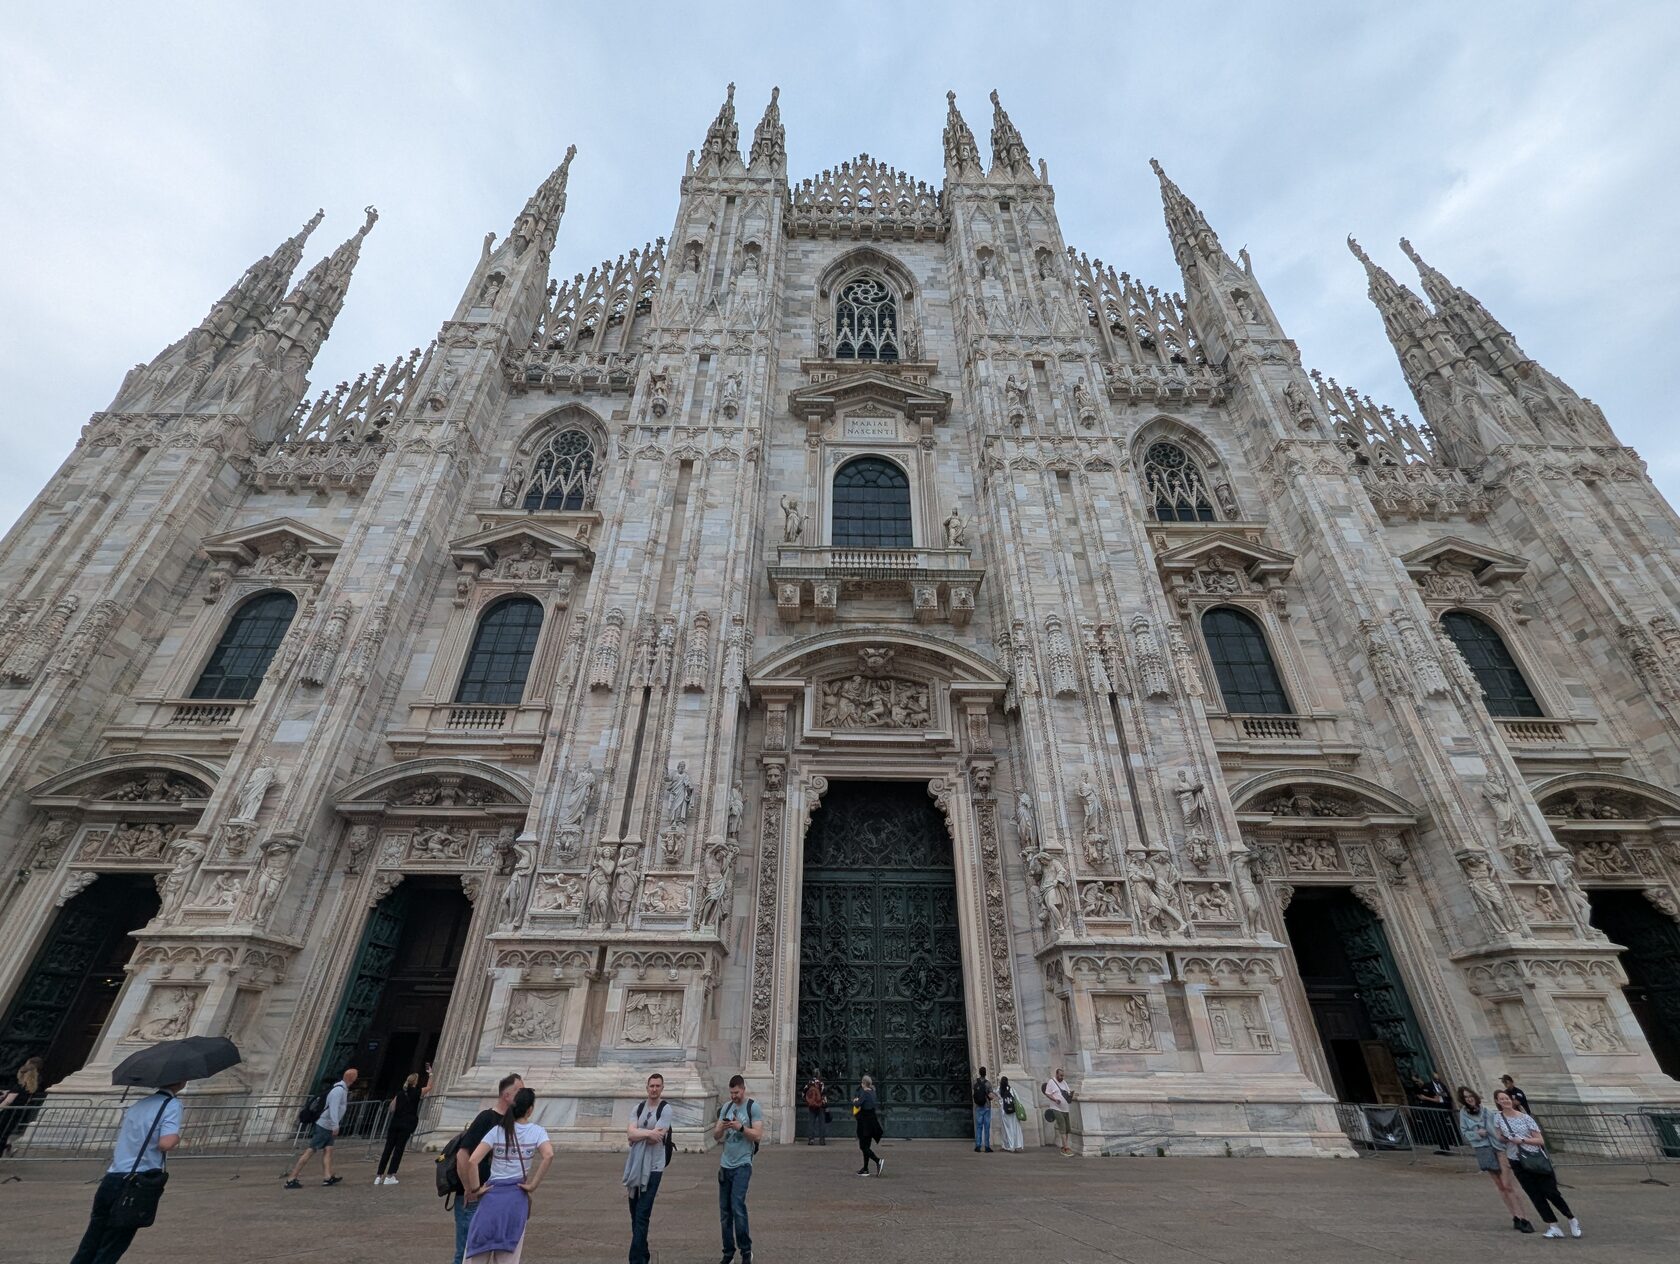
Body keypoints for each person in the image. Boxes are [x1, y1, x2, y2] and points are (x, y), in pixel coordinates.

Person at [69, 1079, 184, 1264]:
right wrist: (176, 1137)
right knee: (113, 1244)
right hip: (136, 1182)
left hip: (112, 1177)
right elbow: (166, 1143)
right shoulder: (172, 1104)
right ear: (182, 1081)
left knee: (92, 1239)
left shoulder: (139, 1104)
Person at [461, 1086, 553, 1262]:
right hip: (516, 1199)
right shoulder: (537, 1131)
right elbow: (548, 1155)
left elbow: (472, 1161)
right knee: (508, 1256)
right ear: (530, 1110)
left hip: (491, 1197)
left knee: (477, 1253)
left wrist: (476, 1189)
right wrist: (532, 1185)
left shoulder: (497, 1130)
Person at [452, 1073, 524, 1264]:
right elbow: (463, 1155)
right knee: (467, 1251)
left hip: (494, 1198)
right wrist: (469, 1189)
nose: (522, 1095)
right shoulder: (486, 1118)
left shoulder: (512, 1124)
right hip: (473, 1197)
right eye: (519, 1091)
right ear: (506, 1095)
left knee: (487, 1250)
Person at [1493, 1088, 1580, 1239]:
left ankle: (1571, 1219)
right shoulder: (1498, 1118)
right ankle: (1553, 1226)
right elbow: (1499, 1136)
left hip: (1535, 1158)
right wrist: (1506, 1139)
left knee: (1551, 1192)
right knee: (1534, 1194)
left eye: (1506, 1098)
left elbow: (1540, 1140)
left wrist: (1522, 1140)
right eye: (1501, 1099)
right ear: (1497, 1102)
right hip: (1516, 1160)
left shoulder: (1525, 1118)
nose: (1505, 1101)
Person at [1457, 1086, 1532, 1233]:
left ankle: (1524, 1218)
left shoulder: (1487, 1111)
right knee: (1500, 1186)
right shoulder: (1463, 1114)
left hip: (1499, 1149)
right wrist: (1476, 1134)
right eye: (1466, 1097)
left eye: (1470, 1095)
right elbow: (1464, 1132)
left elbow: (1500, 1127)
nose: (1469, 1099)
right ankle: (1515, 1216)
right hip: (1483, 1149)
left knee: (1508, 1184)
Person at [712, 1074, 763, 1264]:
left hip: (743, 1164)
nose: (733, 1096)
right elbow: (716, 1135)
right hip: (725, 1165)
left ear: (743, 1089)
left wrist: (740, 1127)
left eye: (736, 1092)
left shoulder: (753, 1107)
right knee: (725, 1213)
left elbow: (758, 1135)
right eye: (731, 1093)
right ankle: (728, 1253)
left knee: (737, 1207)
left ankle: (746, 1251)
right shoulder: (727, 1107)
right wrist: (723, 1127)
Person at [624, 1072, 671, 1264]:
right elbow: (630, 1134)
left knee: (642, 1214)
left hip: (654, 1168)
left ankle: (636, 1260)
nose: (654, 1089)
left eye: (658, 1086)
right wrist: (647, 1133)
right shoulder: (638, 1108)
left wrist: (638, 1134)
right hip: (635, 1166)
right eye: (652, 1086)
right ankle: (644, 1254)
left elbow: (656, 1138)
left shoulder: (665, 1109)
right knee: (635, 1214)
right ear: (647, 1087)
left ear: (662, 1088)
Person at [284, 1066, 356, 1188]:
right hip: (325, 1125)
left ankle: (327, 1177)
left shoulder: (342, 1089)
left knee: (328, 1150)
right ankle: (291, 1178)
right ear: (351, 1078)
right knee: (311, 1150)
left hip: (328, 1126)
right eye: (355, 1076)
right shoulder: (338, 1091)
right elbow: (333, 1108)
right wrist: (335, 1125)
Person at [375, 1062, 431, 1184]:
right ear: (415, 1082)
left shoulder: (400, 1093)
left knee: (387, 1149)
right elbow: (429, 1087)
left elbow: (391, 1108)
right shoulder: (417, 1092)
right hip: (406, 1124)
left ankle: (378, 1176)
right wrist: (430, 1074)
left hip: (395, 1123)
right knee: (398, 1150)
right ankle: (390, 1176)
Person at [0, 1054, 43, 1157]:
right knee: (5, 1133)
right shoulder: (31, 1088)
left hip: (7, 1113)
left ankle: (5, 1147)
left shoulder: (18, 1087)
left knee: (2, 1132)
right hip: (17, 1114)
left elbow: (8, 1101)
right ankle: (7, 1147)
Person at [1407, 1073, 1452, 1155]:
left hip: (1437, 1110)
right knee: (1436, 1129)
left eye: (1417, 1081)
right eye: (1415, 1082)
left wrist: (1425, 1098)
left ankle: (1446, 1148)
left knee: (1441, 1129)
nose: (1417, 1083)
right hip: (1430, 1112)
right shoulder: (1420, 1088)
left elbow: (1438, 1099)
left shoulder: (1431, 1086)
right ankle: (1443, 1148)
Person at [852, 1075, 883, 1177]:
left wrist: (855, 1100)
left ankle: (878, 1161)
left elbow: (858, 1104)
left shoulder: (865, 1093)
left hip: (865, 1122)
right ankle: (865, 1168)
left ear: (864, 1083)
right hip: (872, 1121)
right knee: (867, 1146)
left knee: (863, 1146)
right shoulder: (873, 1092)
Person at [1042, 1068, 1074, 1156]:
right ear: (1056, 1074)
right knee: (1062, 1127)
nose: (1062, 1077)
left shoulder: (1064, 1082)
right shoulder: (1051, 1082)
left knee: (1067, 1129)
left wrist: (1070, 1095)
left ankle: (1064, 1147)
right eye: (1060, 1075)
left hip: (1065, 1109)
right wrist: (1055, 1099)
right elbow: (1047, 1093)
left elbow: (1067, 1092)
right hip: (1056, 1108)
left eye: (1063, 1076)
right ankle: (1066, 1147)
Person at [997, 1075, 1025, 1153]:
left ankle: (1009, 1146)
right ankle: (1015, 1145)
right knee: (1014, 1129)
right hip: (1013, 1112)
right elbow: (1017, 1100)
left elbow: (996, 1096)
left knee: (1006, 1130)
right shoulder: (1012, 1090)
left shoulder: (999, 1090)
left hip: (1004, 1112)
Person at [971, 1065, 995, 1152]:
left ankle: (978, 1146)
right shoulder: (988, 1083)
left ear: (979, 1073)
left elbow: (974, 1093)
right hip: (986, 1107)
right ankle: (987, 1146)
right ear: (985, 1073)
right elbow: (991, 1096)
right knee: (987, 1127)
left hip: (978, 1107)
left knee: (979, 1127)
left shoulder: (975, 1082)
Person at [802, 1068, 827, 1146]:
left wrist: (808, 1101)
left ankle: (811, 1139)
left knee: (811, 1123)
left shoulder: (809, 1083)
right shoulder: (821, 1083)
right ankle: (822, 1140)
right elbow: (824, 1095)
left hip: (812, 1106)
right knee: (821, 1123)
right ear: (819, 1075)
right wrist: (825, 1105)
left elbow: (803, 1093)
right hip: (820, 1105)